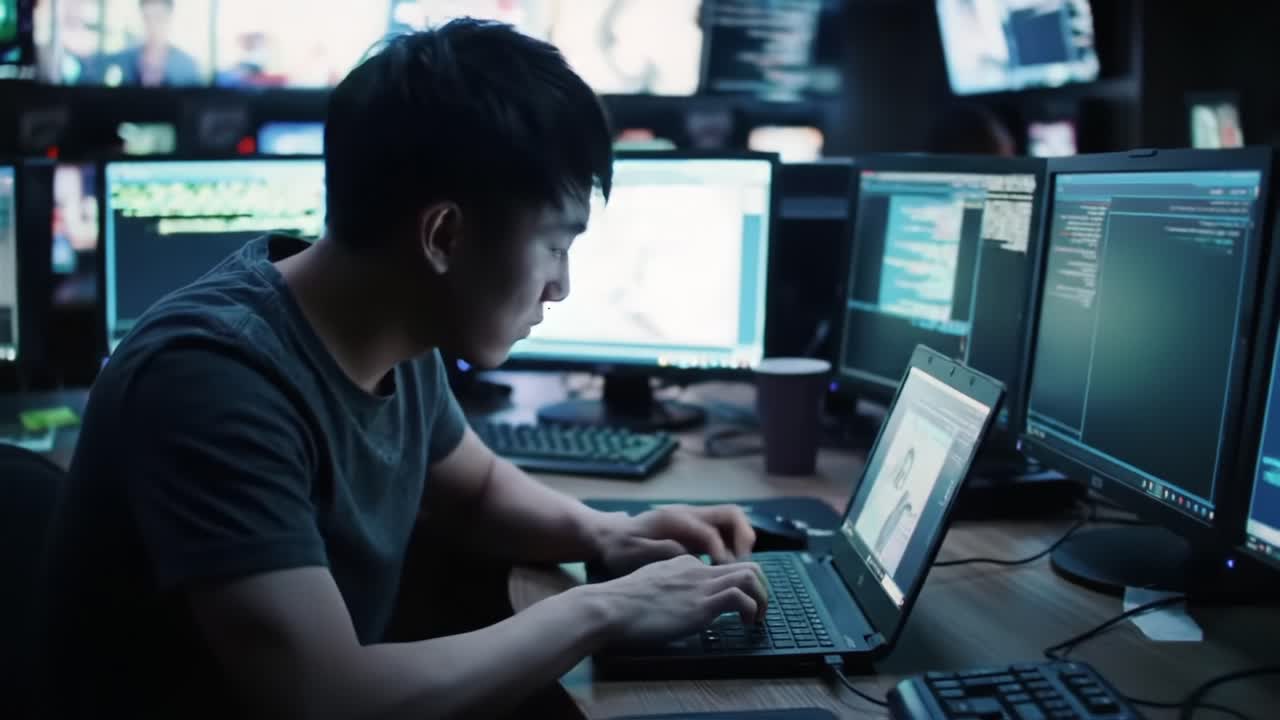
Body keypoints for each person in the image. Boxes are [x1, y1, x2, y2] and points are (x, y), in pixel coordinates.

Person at [34, 19, 769, 720]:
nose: (561, 285)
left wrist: (605, 533)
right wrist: (605, 607)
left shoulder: (390, 319)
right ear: (443, 234)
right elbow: (326, 700)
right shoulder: (213, 381)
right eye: (553, 244)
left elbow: (473, 489)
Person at [101, 0, 202, 87]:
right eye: (147, 18)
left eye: (159, 18)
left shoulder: (187, 67)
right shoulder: (121, 62)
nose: (152, 26)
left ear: (169, 19)